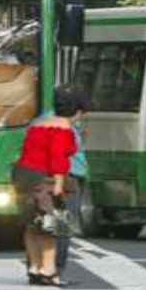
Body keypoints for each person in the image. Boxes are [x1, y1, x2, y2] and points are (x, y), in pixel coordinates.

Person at [13, 88, 88, 287]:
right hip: (47, 178)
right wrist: (59, 186)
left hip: (25, 175)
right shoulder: (63, 128)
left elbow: (26, 151)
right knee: (54, 227)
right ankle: (50, 271)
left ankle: (34, 268)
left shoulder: (38, 125)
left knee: (32, 225)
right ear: (77, 111)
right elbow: (58, 160)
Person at [56, 117, 89, 274]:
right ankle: (56, 269)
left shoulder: (43, 122)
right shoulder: (65, 128)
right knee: (62, 225)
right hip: (66, 178)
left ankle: (42, 269)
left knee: (48, 226)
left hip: (61, 177)